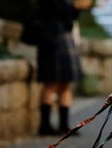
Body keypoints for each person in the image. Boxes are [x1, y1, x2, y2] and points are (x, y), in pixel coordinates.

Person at [36, 0, 90, 135]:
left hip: (61, 38)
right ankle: (45, 125)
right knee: (52, 84)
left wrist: (77, 8)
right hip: (54, 40)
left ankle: (63, 125)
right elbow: (59, 11)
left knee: (65, 84)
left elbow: (69, 17)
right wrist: (76, 7)